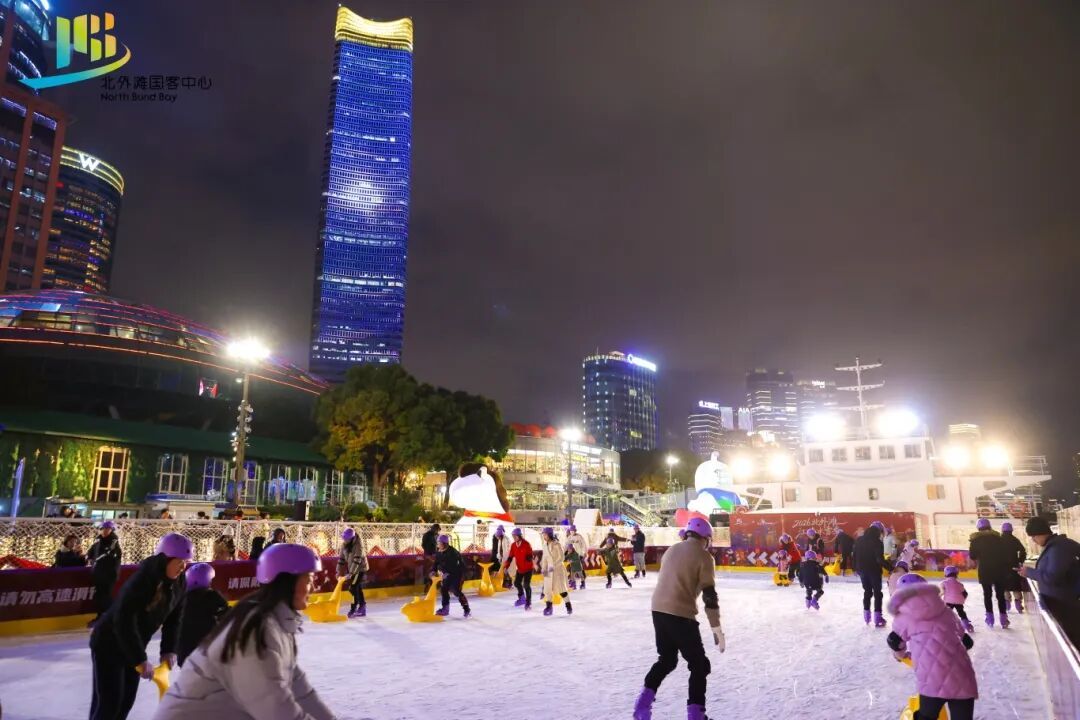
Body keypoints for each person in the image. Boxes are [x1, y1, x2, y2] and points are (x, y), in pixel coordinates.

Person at [154, 543, 337, 720]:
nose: (313, 587)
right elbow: (275, 708)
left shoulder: (278, 626)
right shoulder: (255, 632)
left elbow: (300, 690)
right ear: (288, 582)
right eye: (308, 579)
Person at [89, 532, 192, 720]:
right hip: (109, 643)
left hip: (133, 645)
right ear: (165, 559)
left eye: (185, 562)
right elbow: (124, 620)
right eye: (179, 562)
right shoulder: (144, 580)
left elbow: (174, 618)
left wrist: (169, 649)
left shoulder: (180, 582)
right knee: (110, 703)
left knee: (125, 703)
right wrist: (139, 659)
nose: (182, 567)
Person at [633, 518, 724, 720]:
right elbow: (709, 596)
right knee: (699, 665)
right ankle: (696, 715)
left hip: (658, 610)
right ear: (706, 538)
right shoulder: (705, 557)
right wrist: (716, 628)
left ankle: (642, 706)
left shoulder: (671, 550)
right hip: (681, 614)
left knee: (666, 660)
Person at [886, 573, 977, 720]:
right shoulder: (946, 610)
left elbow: (895, 642)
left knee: (926, 716)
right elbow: (967, 642)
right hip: (963, 677)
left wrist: (900, 656)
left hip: (933, 681)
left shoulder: (903, 616)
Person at [1019, 516, 1080, 648]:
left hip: (1064, 604)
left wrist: (1029, 572)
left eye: (1034, 536)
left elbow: (1052, 577)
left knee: (1073, 639)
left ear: (1041, 533)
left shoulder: (1058, 548)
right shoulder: (1054, 546)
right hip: (1061, 601)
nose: (1033, 540)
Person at [176, 563, 228, 667]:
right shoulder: (212, 597)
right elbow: (227, 618)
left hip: (184, 656)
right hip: (206, 654)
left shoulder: (181, 598)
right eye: (210, 580)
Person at [968, 518, 1010, 628]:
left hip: (985, 570)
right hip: (999, 570)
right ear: (989, 526)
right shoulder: (998, 538)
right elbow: (1005, 554)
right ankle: (1004, 619)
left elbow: (972, 556)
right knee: (1000, 595)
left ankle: (990, 619)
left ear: (978, 527)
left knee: (987, 595)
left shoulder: (975, 540)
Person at [87, 520, 123, 624]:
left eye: (107, 529)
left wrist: (101, 558)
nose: (104, 531)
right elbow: (92, 552)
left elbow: (112, 555)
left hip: (108, 574)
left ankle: (108, 617)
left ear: (111, 530)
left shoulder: (113, 542)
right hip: (98, 573)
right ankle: (101, 616)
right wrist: (89, 557)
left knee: (105, 596)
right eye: (102, 528)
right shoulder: (98, 541)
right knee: (99, 596)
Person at [854, 521, 888, 627]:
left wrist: (856, 569)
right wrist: (891, 568)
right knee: (877, 593)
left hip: (862, 571)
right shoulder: (877, 542)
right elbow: (879, 559)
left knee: (867, 592)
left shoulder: (859, 540)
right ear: (879, 531)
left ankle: (867, 617)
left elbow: (854, 555)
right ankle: (878, 618)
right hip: (874, 571)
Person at [431, 534, 471, 618]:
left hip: (457, 574)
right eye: (437, 542)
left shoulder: (452, 552)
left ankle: (466, 609)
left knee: (456, 591)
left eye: (439, 542)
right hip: (447, 575)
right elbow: (436, 563)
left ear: (444, 543)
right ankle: (445, 609)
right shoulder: (439, 552)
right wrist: (433, 571)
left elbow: (454, 566)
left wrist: (446, 573)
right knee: (444, 589)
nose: (438, 544)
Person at [539, 527, 572, 616]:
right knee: (547, 589)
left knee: (561, 589)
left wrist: (553, 566)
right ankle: (549, 607)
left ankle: (568, 605)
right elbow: (544, 558)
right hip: (548, 571)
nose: (544, 536)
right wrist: (543, 568)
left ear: (550, 535)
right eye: (543, 535)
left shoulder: (557, 544)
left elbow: (561, 557)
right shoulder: (544, 545)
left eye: (545, 535)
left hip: (558, 570)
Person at [337, 528, 369, 618]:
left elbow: (357, 560)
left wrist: (351, 573)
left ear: (351, 538)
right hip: (352, 568)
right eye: (344, 538)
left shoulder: (359, 545)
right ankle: (362, 607)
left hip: (360, 568)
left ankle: (354, 609)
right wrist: (338, 572)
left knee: (353, 588)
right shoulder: (344, 544)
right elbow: (341, 559)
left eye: (346, 539)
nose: (344, 540)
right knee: (357, 587)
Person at [502, 528, 535, 610]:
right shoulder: (513, 545)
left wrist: (529, 557)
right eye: (513, 536)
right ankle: (522, 598)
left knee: (526, 585)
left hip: (528, 569)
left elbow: (531, 554)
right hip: (520, 569)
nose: (514, 537)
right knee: (516, 583)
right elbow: (510, 557)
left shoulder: (526, 544)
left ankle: (528, 602)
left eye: (515, 536)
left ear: (519, 536)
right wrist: (506, 566)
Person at [999, 522, 1027, 613]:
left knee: (1005, 588)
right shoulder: (1015, 540)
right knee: (1016, 587)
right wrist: (1020, 560)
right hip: (1014, 567)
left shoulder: (998, 540)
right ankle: (1018, 606)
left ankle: (1007, 604)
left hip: (1002, 568)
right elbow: (1023, 551)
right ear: (1011, 530)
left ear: (1002, 530)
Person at [941, 565, 975, 632]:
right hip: (959, 601)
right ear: (956, 574)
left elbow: (941, 592)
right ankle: (966, 624)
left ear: (945, 574)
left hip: (948, 601)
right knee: (961, 612)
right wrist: (962, 600)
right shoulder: (960, 584)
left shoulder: (943, 583)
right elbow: (965, 593)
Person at [566, 525, 588, 589]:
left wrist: (585, 552)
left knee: (579, 569)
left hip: (579, 554)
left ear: (575, 531)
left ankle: (582, 582)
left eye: (573, 531)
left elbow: (584, 544)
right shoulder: (569, 537)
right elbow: (566, 545)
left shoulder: (579, 537)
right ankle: (573, 581)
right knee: (572, 568)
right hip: (572, 555)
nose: (572, 532)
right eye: (571, 531)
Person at [421, 523, 440, 591]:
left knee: (435, 570)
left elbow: (438, 544)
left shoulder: (437, 535)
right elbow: (423, 545)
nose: (437, 531)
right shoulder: (427, 535)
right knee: (428, 570)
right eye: (436, 530)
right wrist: (428, 553)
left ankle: (435, 584)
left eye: (438, 530)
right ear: (433, 528)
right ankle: (427, 585)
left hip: (434, 554)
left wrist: (437, 551)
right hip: (428, 555)